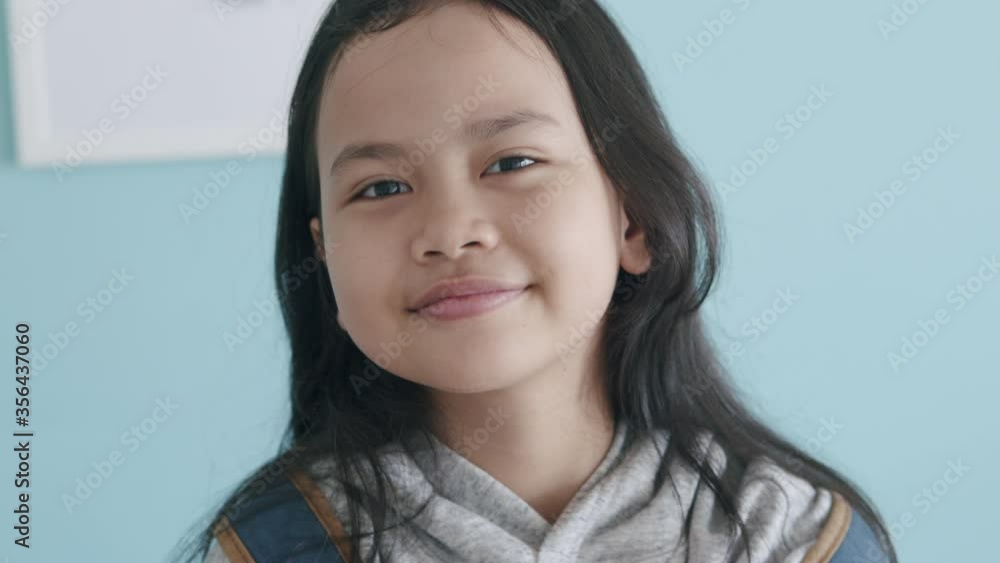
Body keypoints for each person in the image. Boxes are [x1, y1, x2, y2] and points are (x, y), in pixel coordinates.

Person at [175, 1, 897, 561]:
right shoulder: (280, 545)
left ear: (634, 217)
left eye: (512, 163)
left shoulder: (794, 535)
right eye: (382, 186)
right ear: (323, 255)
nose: (450, 231)